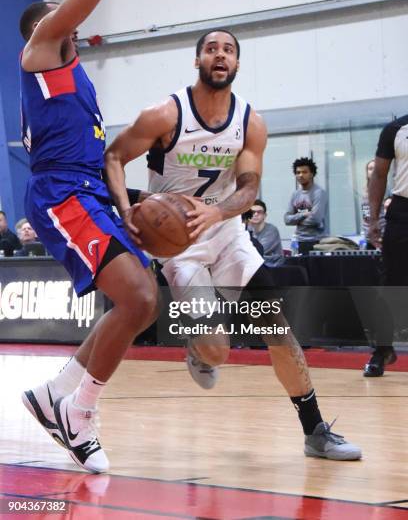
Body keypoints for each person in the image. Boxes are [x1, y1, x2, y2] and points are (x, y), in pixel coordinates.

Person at [105, 30, 361, 461]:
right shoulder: (165, 114)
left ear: (237, 65)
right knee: (217, 351)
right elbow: (112, 157)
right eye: (211, 49)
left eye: (228, 50)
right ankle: (199, 350)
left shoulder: (249, 122)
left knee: (276, 329)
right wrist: (128, 208)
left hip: (227, 235)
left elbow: (248, 188)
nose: (219, 55)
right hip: (178, 246)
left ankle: (315, 429)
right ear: (197, 61)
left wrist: (218, 213)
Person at [19, 0, 157, 474]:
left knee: (140, 303)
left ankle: (61, 392)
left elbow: (101, 156)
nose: (71, 18)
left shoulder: (80, 80)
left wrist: (126, 205)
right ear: (42, 28)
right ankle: (77, 411)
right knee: (140, 299)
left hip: (88, 193)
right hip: (60, 195)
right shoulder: (40, 53)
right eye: (60, 14)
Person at [365, 117, 408, 376]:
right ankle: (382, 350)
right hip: (403, 211)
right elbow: (379, 173)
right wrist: (373, 218)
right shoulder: (396, 129)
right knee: (391, 286)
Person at [284, 158, 328, 255]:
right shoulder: (295, 194)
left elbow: (316, 219)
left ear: (312, 174)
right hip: (300, 241)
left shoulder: (319, 193)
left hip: (317, 242)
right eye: (298, 172)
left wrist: (296, 220)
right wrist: (304, 214)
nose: (300, 175)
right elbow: (287, 219)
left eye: (304, 172)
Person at [247, 199, 284, 266]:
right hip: (255, 267)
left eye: (259, 212)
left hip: (273, 269)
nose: (255, 214)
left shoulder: (272, 230)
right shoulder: (245, 230)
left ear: (265, 215)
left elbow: (259, 251)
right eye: (252, 212)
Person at [361, 159, 386, 248]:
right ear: (367, 173)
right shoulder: (366, 195)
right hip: (372, 239)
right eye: (370, 169)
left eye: (375, 168)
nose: (372, 171)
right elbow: (367, 218)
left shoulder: (387, 190)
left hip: (387, 236)